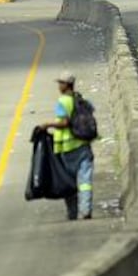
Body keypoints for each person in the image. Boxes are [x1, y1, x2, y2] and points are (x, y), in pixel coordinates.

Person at [39, 72, 94, 220]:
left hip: (67, 149)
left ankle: (72, 213)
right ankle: (86, 210)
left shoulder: (63, 102)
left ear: (66, 85)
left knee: (68, 183)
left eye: (60, 83)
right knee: (85, 181)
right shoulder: (80, 99)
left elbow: (64, 123)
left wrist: (47, 125)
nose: (58, 86)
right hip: (84, 145)